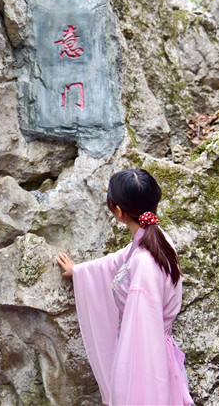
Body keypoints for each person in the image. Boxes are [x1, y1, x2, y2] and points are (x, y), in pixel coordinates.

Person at [56, 169, 194, 405]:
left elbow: (143, 335)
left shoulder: (145, 262)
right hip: (153, 349)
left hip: (146, 358)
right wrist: (80, 271)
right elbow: (120, 260)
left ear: (118, 211)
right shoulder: (157, 239)